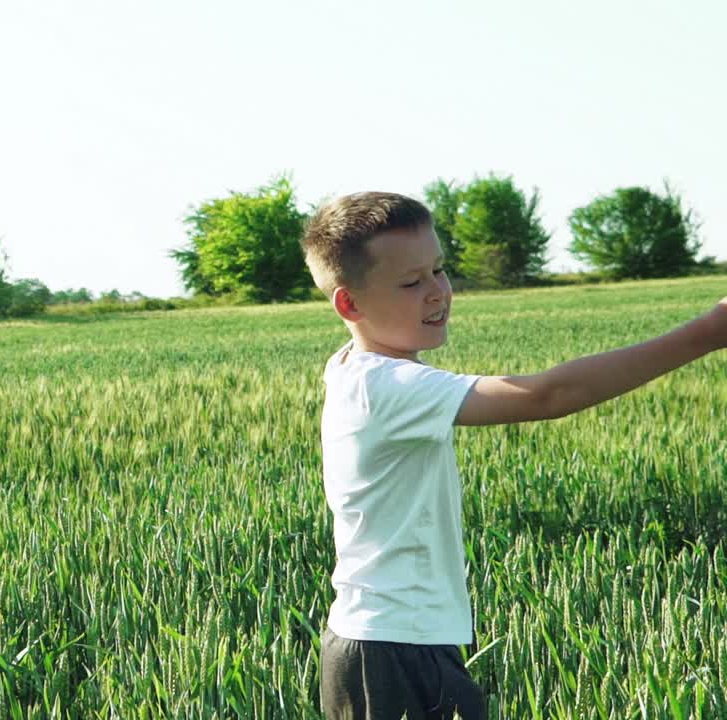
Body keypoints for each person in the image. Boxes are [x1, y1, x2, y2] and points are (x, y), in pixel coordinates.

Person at [300, 191, 726, 719]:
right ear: (349, 304)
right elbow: (548, 395)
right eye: (412, 283)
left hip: (393, 643)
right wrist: (709, 332)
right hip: (389, 652)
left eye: (439, 269)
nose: (438, 292)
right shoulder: (384, 385)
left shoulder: (354, 366)